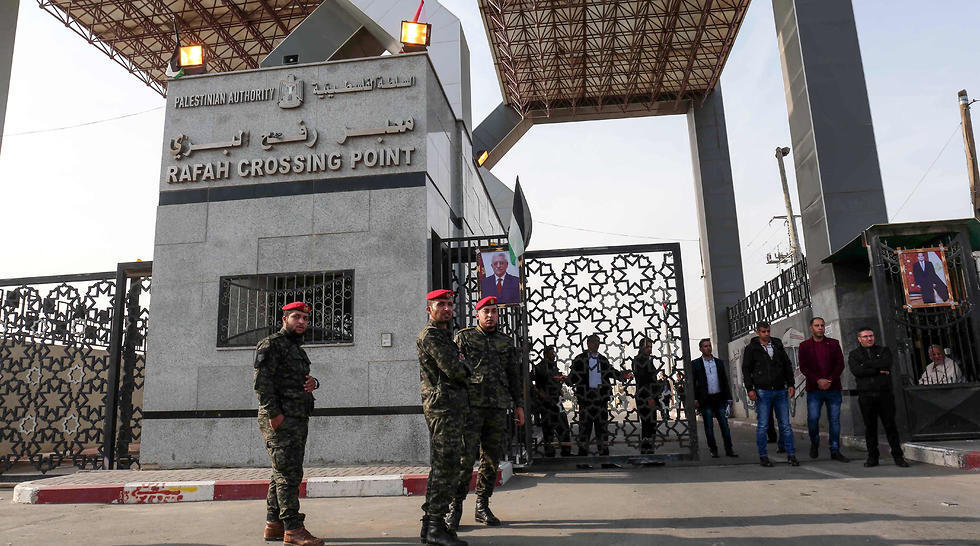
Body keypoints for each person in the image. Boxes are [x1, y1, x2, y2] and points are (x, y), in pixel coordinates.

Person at [448, 296, 525, 531]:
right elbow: (452, 371)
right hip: (470, 408)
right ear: (477, 314)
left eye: (493, 311)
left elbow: (513, 375)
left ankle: (482, 506)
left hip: (497, 408)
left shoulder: (505, 341)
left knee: (490, 460)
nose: (490, 315)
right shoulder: (463, 337)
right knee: (464, 460)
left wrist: (519, 404)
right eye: (486, 312)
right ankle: (455, 507)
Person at [254, 302, 323, 546]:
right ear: (284, 319)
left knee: (280, 473)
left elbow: (297, 379)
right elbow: (262, 383)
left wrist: (314, 382)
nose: (302, 322)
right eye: (296, 317)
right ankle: (293, 529)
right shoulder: (272, 344)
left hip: (296, 418)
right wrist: (275, 415)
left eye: (305, 318)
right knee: (289, 474)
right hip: (281, 419)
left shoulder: (296, 349)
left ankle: (274, 524)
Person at [417, 289, 470, 546]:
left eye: (449, 304)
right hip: (442, 408)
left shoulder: (444, 336)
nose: (447, 309)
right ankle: (435, 525)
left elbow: (458, 365)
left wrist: (462, 364)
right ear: (429, 309)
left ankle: (431, 526)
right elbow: (455, 369)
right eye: (441, 304)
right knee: (445, 465)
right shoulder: (432, 336)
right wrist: (464, 365)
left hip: (451, 407)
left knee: (445, 464)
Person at [848, 327, 910, 468]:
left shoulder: (883, 351)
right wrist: (876, 370)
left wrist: (867, 366)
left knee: (890, 426)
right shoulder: (854, 354)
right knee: (870, 427)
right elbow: (857, 371)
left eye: (871, 336)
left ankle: (898, 456)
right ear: (859, 339)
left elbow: (886, 364)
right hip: (866, 396)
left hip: (884, 395)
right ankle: (872, 457)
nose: (869, 339)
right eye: (865, 337)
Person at [741, 321, 799, 467]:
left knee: (785, 424)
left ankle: (791, 455)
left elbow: (787, 365)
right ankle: (763, 456)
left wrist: (791, 384)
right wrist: (750, 389)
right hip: (762, 391)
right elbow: (746, 370)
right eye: (763, 332)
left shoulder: (777, 345)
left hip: (780, 389)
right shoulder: (751, 348)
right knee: (763, 425)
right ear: (757, 332)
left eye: (768, 331)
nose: (766, 334)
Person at [566, 334, 632, 457]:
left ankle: (604, 458)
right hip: (586, 400)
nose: (597, 344)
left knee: (602, 430)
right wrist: (567, 380)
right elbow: (573, 376)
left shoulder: (602, 359)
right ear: (588, 343)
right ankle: (583, 458)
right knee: (584, 430)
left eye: (598, 342)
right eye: (594, 341)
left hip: (600, 400)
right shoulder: (580, 359)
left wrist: (623, 376)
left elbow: (611, 372)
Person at [798, 317, 849, 462]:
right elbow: (804, 367)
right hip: (814, 389)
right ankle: (814, 442)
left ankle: (835, 450)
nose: (820, 327)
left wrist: (830, 380)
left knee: (834, 420)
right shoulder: (804, 346)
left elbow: (840, 364)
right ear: (811, 328)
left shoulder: (833, 344)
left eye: (822, 325)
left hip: (833, 389)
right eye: (817, 325)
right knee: (813, 419)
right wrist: (818, 380)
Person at [691, 338, 737, 458]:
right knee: (709, 427)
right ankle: (713, 449)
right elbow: (693, 383)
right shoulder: (696, 364)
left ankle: (729, 449)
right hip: (706, 400)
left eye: (709, 345)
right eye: (705, 346)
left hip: (719, 398)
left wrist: (729, 398)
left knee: (724, 425)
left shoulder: (718, 362)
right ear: (700, 349)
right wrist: (695, 399)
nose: (708, 348)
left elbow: (724, 381)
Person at [533, 345, 571, 457]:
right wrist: (541, 393)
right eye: (552, 353)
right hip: (546, 402)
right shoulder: (539, 367)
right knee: (548, 427)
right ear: (546, 354)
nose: (554, 355)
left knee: (563, 426)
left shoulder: (553, 366)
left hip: (556, 401)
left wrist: (560, 384)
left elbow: (554, 379)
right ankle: (550, 452)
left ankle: (565, 451)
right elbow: (533, 382)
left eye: (554, 353)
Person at [631, 337, 665, 455]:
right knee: (647, 425)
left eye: (651, 347)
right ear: (641, 347)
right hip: (644, 397)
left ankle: (649, 452)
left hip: (650, 397)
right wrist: (650, 397)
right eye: (647, 347)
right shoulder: (639, 360)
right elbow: (642, 380)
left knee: (651, 425)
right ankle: (646, 453)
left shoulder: (648, 359)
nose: (649, 349)